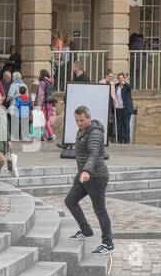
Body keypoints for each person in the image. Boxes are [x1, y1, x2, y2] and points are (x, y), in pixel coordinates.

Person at [62, 105, 113, 254]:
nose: (79, 123)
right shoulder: (82, 131)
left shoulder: (95, 134)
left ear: (89, 118)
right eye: (77, 120)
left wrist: (86, 170)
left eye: (82, 120)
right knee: (70, 200)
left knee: (100, 210)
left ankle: (108, 244)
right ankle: (86, 230)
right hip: (84, 175)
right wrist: (83, 172)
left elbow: (94, 153)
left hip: (96, 176)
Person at [35, 68, 57, 142]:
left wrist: (38, 105)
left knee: (43, 120)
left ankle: (50, 135)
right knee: (45, 119)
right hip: (50, 103)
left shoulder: (42, 83)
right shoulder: (51, 82)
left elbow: (40, 95)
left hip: (43, 104)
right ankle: (43, 136)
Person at [115, 73, 134, 144]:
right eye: (119, 78)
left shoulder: (127, 86)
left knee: (126, 124)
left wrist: (124, 84)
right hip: (119, 108)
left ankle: (127, 141)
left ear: (124, 79)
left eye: (122, 78)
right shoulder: (116, 86)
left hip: (126, 108)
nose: (120, 80)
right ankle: (120, 140)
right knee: (120, 125)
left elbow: (130, 87)